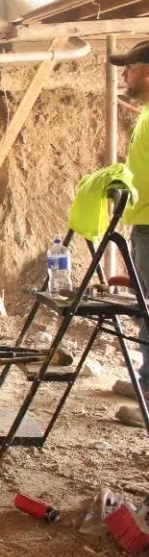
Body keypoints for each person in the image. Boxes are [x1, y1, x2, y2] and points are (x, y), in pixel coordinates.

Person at [111, 41, 149, 427]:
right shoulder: (146, 115)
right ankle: (146, 381)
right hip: (145, 224)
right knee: (146, 310)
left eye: (130, 67)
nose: (125, 74)